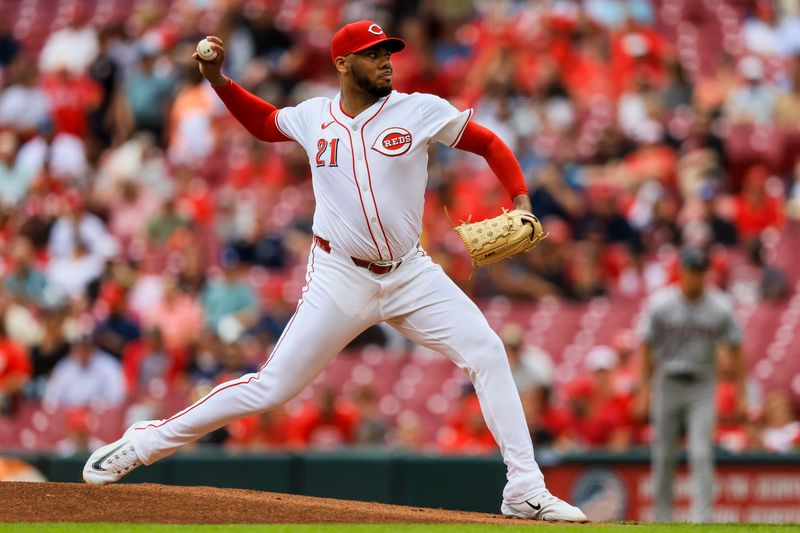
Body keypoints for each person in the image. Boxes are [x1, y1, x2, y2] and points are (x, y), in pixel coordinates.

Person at [83, 21, 586, 522]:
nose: (386, 60)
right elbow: (264, 123)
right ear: (343, 64)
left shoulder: (419, 110)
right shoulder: (314, 116)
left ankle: (524, 487)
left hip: (411, 272)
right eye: (372, 53)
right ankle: (147, 442)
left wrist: (520, 199)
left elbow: (490, 145)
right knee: (272, 387)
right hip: (340, 275)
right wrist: (218, 80)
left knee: (489, 352)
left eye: (388, 51)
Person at [635, 247, 745, 523]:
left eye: (699, 272)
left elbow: (737, 348)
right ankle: (662, 518)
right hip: (668, 381)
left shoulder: (720, 305)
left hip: (702, 384)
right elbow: (646, 346)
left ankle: (702, 519)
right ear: (681, 272)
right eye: (690, 271)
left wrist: (741, 394)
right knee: (663, 454)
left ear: (706, 274)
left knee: (700, 451)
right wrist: (644, 389)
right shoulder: (661, 303)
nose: (694, 277)